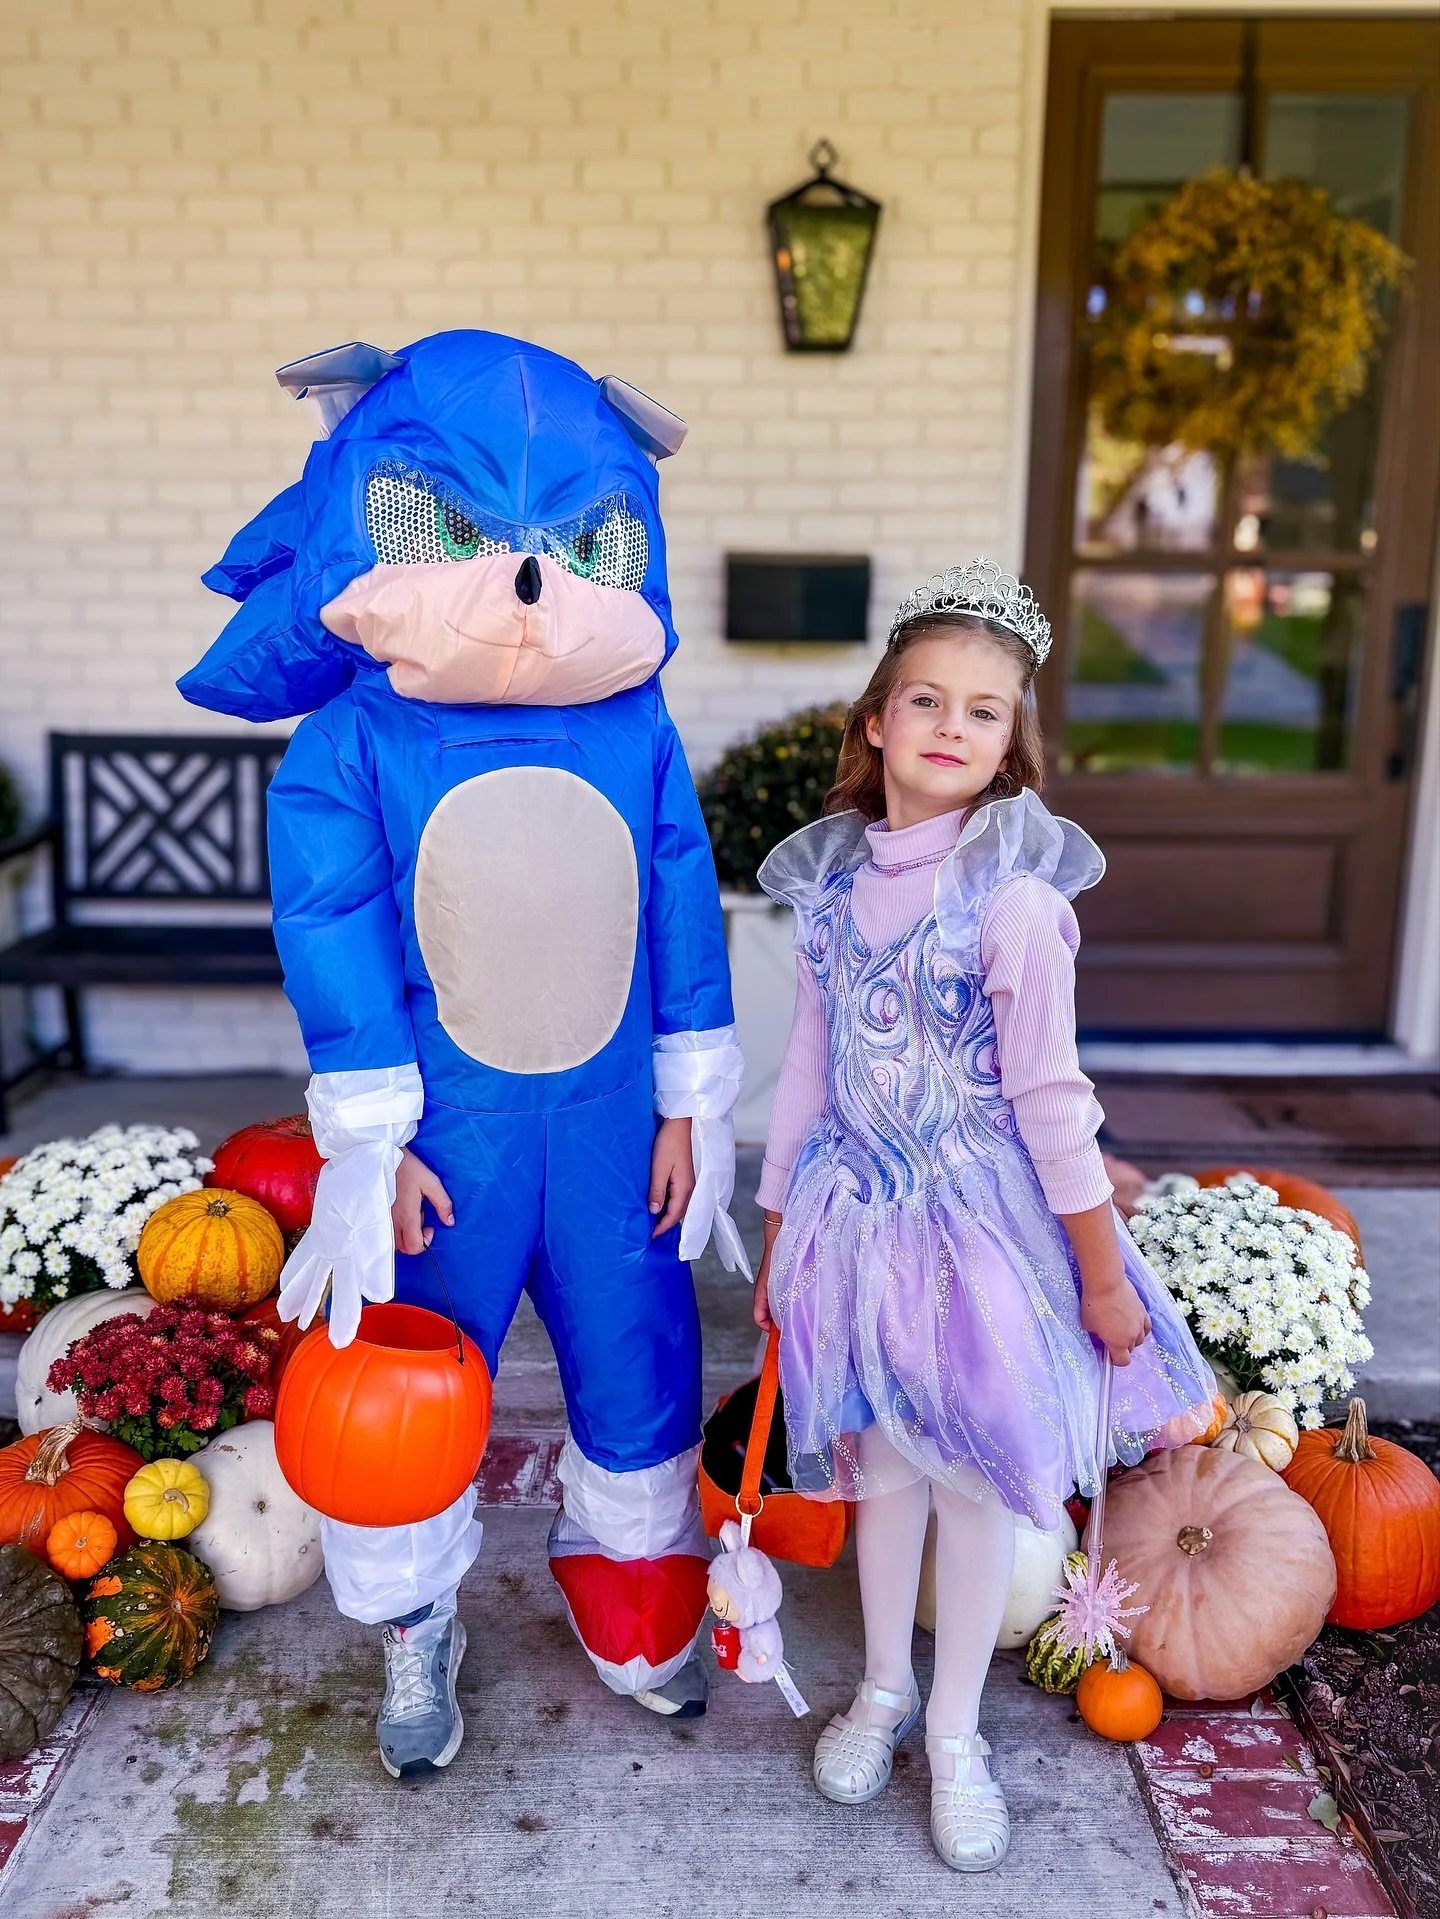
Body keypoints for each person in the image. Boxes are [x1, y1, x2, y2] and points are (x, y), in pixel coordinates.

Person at [179, 330, 749, 1778]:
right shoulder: (354, 742)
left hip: (617, 1132)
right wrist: (371, 1143)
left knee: (638, 1349)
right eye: (454, 528)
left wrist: (692, 1099)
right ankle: (415, 1619)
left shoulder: (635, 724)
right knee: (406, 1387)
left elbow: (680, 897)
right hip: (446, 1142)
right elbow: (333, 929)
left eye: (583, 540)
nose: (533, 578)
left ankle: (634, 1586)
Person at [750, 560, 1214, 1872]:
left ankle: (955, 1728)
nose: (952, 725)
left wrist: (1102, 1274)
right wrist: (777, 1230)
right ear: (877, 720)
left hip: (975, 1232)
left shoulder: (1013, 902)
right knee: (883, 1466)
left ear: (1013, 746)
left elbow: (1052, 1100)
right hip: (853, 1218)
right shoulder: (834, 894)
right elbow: (806, 1070)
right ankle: (883, 1687)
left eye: (986, 710)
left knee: (964, 1478)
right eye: (927, 699)